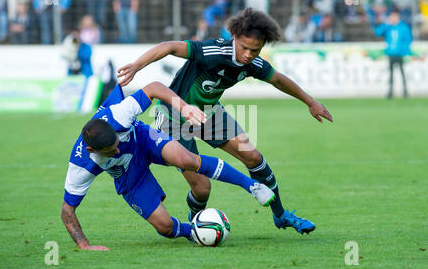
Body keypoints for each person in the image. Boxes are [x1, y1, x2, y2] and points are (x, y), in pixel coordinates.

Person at [117, 8, 333, 235]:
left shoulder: (253, 64)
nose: (249, 54)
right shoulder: (211, 51)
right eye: (245, 48)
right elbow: (169, 47)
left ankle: (281, 215)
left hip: (209, 113)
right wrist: (136, 66)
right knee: (202, 189)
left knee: (252, 155)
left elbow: (278, 79)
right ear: (235, 38)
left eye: (255, 50)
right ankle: (196, 222)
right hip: (174, 117)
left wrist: (310, 101)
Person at [62, 81, 276, 250]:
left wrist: (184, 108)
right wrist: (85, 246)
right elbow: (67, 210)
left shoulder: (119, 114)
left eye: (117, 144)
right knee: (165, 227)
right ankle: (194, 231)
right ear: (92, 150)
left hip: (144, 140)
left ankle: (252, 186)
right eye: (111, 152)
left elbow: (154, 88)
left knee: (187, 160)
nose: (117, 150)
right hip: (129, 174)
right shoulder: (82, 164)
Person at [374, 10, 412, 98]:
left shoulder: (403, 27)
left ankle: (405, 91)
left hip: (400, 54)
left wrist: (404, 51)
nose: (392, 18)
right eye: (391, 16)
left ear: (398, 17)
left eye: (394, 16)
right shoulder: (388, 27)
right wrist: (386, 24)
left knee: (402, 72)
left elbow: (408, 39)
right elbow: (377, 32)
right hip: (390, 53)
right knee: (391, 73)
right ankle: (390, 92)